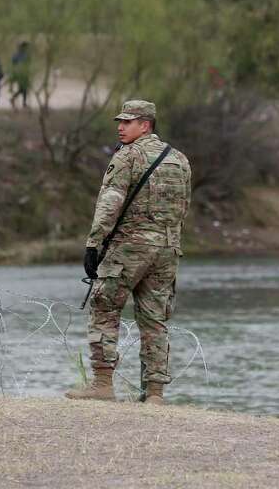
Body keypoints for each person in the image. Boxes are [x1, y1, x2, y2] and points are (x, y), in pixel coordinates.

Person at [65, 99, 192, 405]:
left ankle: (103, 383)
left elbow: (111, 201)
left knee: (104, 307)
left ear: (145, 124)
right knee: (154, 320)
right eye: (120, 122)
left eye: (128, 122)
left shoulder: (127, 156)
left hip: (129, 248)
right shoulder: (179, 159)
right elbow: (183, 207)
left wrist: (94, 243)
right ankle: (155, 394)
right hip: (167, 249)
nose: (120, 127)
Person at [9, 41, 31, 109]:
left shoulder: (17, 55)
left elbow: (13, 64)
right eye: (26, 47)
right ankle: (14, 99)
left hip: (21, 73)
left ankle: (23, 103)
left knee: (24, 89)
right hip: (22, 74)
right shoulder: (24, 55)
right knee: (23, 89)